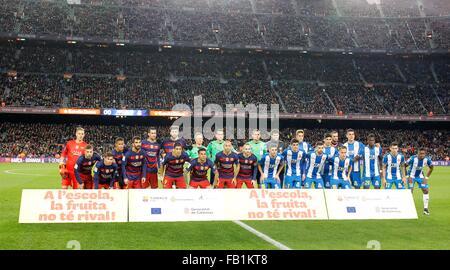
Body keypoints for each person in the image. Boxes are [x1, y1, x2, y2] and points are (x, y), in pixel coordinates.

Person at [406, 148, 434, 215]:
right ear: (417, 153)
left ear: (425, 154)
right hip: (411, 177)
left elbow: (432, 167)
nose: (422, 155)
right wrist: (407, 176)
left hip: (420, 177)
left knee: (426, 190)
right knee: (410, 192)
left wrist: (426, 178)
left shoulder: (427, 159)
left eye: (423, 154)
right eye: (420, 153)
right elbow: (404, 166)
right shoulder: (413, 158)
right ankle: (409, 208)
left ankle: (425, 209)